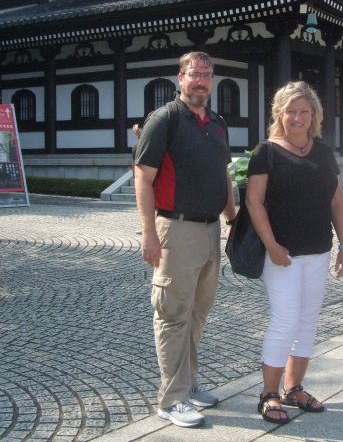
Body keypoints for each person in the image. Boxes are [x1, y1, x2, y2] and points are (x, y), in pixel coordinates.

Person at [133, 51, 237, 428]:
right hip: (175, 229)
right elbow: (142, 177)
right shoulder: (164, 120)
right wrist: (148, 233)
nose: (201, 82)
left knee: (197, 312)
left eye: (207, 76)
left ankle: (190, 385)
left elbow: (223, 173)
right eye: (194, 75)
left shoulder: (217, 123)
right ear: (180, 78)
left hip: (210, 229)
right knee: (173, 315)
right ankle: (171, 398)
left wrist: (232, 217)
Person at [245, 82, 343, 424]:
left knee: (307, 320)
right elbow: (254, 201)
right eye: (291, 110)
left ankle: (295, 387)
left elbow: (336, 201)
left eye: (305, 111)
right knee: (285, 319)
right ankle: (269, 393)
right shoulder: (267, 151)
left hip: (319, 249)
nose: (298, 117)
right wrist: (272, 245)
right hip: (283, 253)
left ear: (315, 115)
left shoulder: (322, 152)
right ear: (280, 113)